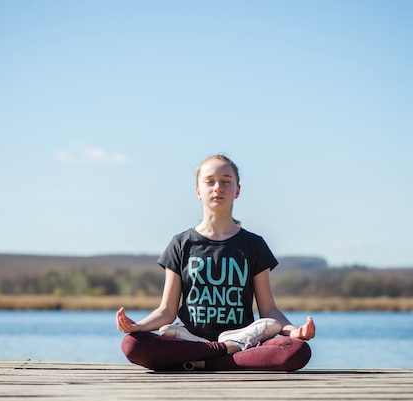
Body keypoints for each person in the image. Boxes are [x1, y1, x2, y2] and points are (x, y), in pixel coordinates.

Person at [116, 154, 315, 371]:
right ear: (198, 191)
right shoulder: (181, 243)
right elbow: (166, 311)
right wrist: (137, 326)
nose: (218, 187)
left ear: (237, 190)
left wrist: (292, 331)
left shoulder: (253, 244)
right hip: (188, 339)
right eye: (210, 181)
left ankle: (203, 359)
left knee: (295, 349)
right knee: (132, 344)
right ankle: (223, 352)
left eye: (226, 181)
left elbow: (269, 310)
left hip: (244, 339)